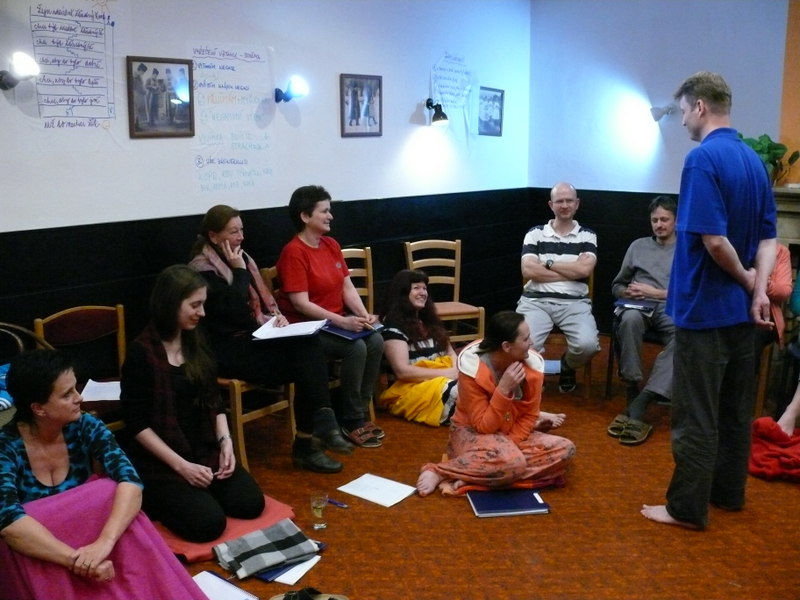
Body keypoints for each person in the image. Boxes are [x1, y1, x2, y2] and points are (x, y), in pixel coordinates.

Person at [641, 72, 777, 530]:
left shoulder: (702, 159)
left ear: (700, 107)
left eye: (683, 112)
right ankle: (728, 493)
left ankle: (686, 508)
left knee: (695, 413)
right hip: (742, 314)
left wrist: (745, 280)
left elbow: (714, 241)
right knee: (736, 411)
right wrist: (758, 290)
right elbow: (769, 239)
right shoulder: (754, 161)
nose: (682, 121)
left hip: (704, 311)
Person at [0, 350, 207, 599]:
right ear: (38, 408)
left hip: (92, 545)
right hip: (43, 553)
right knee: (33, 523)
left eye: (75, 388)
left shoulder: (85, 425)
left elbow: (130, 480)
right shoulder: (5, 446)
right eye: (67, 394)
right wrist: (77, 561)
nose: (79, 397)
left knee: (113, 493)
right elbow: (10, 523)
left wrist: (104, 544)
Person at [188, 206, 350, 473]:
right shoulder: (201, 270)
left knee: (309, 345)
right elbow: (232, 312)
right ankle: (310, 439)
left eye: (242, 230)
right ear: (214, 236)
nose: (241, 237)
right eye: (233, 232)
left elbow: (257, 309)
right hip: (223, 350)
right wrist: (239, 272)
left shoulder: (241, 259)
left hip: (252, 339)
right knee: (307, 365)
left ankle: (317, 426)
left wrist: (274, 320)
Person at [120, 265, 266, 542]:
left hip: (202, 447)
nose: (203, 313)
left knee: (250, 504)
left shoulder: (197, 340)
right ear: (171, 304)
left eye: (203, 304)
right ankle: (159, 498)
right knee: (208, 525)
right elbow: (136, 423)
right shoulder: (142, 352)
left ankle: (199, 492)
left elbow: (214, 399)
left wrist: (226, 444)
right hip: (163, 460)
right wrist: (182, 467)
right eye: (195, 305)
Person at [416, 311, 574, 497]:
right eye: (525, 339)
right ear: (506, 346)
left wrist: (510, 444)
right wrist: (503, 389)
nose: (531, 343)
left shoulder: (532, 367)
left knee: (565, 449)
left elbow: (530, 415)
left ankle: (479, 474)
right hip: (472, 432)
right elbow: (483, 426)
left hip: (510, 434)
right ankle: (439, 471)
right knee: (513, 462)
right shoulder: (473, 367)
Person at [277, 185, 385, 448]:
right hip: (307, 327)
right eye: (324, 211)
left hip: (335, 322)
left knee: (376, 340)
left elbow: (347, 286)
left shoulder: (331, 245)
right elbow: (301, 304)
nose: (330, 216)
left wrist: (363, 314)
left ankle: (360, 410)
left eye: (329, 210)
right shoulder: (293, 252)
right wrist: (342, 321)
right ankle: (350, 419)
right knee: (355, 348)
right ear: (305, 216)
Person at [606, 195, 677, 445]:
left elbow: (691, 291)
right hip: (639, 305)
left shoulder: (687, 249)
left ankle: (645, 398)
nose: (659, 224)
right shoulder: (638, 246)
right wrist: (626, 293)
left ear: (676, 221)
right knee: (629, 319)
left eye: (664, 220)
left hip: (670, 306)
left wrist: (655, 293)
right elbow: (617, 285)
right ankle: (632, 385)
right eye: (655, 220)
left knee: (685, 336)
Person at [516, 181, 600, 393]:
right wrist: (571, 270)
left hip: (575, 304)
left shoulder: (587, 235)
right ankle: (536, 374)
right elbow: (528, 270)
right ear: (551, 205)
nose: (564, 205)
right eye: (559, 201)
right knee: (522, 344)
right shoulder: (535, 233)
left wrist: (547, 263)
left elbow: (584, 270)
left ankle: (567, 366)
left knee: (588, 345)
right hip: (535, 302)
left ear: (577, 204)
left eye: (569, 200)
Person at [378, 269, 459, 426]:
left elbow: (450, 352)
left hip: (443, 381)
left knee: (481, 381)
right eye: (416, 288)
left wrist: (458, 370)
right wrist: (448, 373)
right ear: (402, 294)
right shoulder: (393, 329)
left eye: (424, 288)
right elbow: (403, 372)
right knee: (466, 392)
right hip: (413, 389)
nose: (423, 293)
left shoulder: (430, 322)